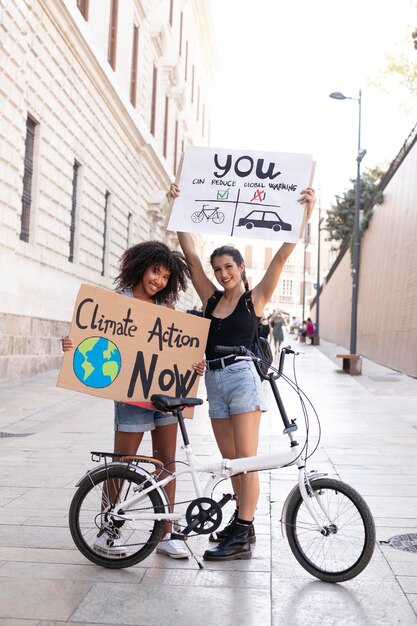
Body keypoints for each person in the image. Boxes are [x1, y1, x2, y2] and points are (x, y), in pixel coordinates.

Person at [169, 182, 316, 561]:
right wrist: (178, 205)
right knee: (230, 459)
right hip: (214, 381)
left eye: (228, 267)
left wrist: (306, 213)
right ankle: (240, 521)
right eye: (218, 269)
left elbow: (282, 258)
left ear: (240, 267)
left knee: (245, 459)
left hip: (242, 378)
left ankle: (244, 532)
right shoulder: (211, 298)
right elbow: (189, 255)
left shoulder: (255, 300)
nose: (221, 274)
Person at [61, 241, 204, 559]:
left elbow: (181, 351)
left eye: (166, 276)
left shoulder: (167, 310)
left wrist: (196, 365)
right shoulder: (116, 303)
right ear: (141, 267)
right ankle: (108, 530)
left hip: (166, 399)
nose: (159, 280)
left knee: (167, 462)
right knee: (122, 463)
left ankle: (167, 533)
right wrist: (74, 344)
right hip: (131, 398)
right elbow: (93, 339)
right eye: (156, 271)